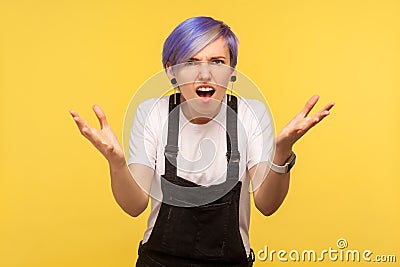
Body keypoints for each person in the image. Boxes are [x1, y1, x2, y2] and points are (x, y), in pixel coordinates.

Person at [69, 16, 335, 267]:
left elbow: (267, 204)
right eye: (191, 62)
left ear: (232, 71)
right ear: (171, 72)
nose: (205, 74)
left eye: (217, 62)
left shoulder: (251, 114)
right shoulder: (152, 112)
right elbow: (134, 205)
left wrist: (282, 152)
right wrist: (116, 162)